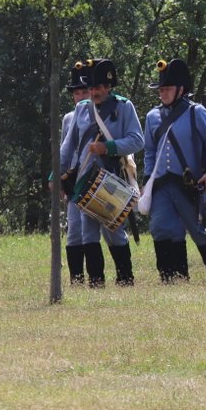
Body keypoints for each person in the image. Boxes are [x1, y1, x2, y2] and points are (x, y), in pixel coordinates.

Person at [142, 58, 206, 281]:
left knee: (198, 230)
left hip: (190, 185)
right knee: (162, 228)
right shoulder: (152, 117)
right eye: (161, 89)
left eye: (168, 89)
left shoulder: (195, 112)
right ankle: (172, 277)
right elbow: (150, 152)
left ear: (181, 89)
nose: (162, 93)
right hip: (162, 184)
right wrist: (147, 182)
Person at [59, 58, 143, 287]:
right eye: (91, 88)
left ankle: (125, 278)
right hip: (85, 178)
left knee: (115, 231)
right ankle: (96, 281)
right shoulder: (81, 109)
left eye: (98, 88)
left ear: (108, 87)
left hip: (112, 177)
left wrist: (109, 147)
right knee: (87, 232)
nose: (94, 92)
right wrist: (56, 175)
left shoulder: (124, 106)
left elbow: (137, 140)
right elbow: (68, 146)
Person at [60, 61, 92, 284]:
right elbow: (65, 149)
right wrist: (61, 180)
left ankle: (99, 278)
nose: (80, 97)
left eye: (84, 92)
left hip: (95, 178)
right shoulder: (68, 118)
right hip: (74, 182)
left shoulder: (98, 114)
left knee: (105, 232)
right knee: (74, 232)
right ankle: (76, 279)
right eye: (76, 93)